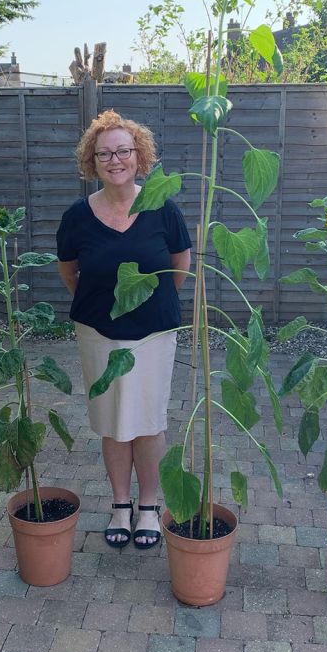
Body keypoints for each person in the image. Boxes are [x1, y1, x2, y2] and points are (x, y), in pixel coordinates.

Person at [56, 110, 191, 549]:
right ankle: (120, 503)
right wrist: (104, 306)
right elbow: (70, 271)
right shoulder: (77, 216)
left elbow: (179, 267)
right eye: (104, 154)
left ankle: (149, 505)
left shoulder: (162, 208)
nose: (115, 160)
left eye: (123, 151)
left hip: (152, 333)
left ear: (139, 156)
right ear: (92, 163)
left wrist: (147, 305)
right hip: (98, 332)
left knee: (149, 422)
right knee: (113, 422)